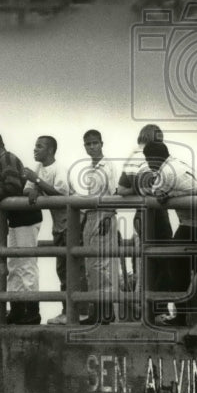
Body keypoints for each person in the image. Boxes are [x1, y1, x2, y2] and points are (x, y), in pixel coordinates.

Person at [141, 141, 197, 325]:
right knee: (196, 266)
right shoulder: (176, 163)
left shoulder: (166, 172)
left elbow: (153, 192)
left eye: (148, 160)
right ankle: (195, 315)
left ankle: (182, 316)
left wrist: (163, 193)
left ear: (154, 158)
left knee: (174, 261)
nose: (148, 164)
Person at [0, 131, 42, 325]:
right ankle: (18, 309)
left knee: (26, 264)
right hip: (17, 218)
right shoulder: (0, 162)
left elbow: (11, 187)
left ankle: (32, 311)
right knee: (14, 265)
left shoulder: (7, 159)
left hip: (26, 217)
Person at [117, 124, 172, 321]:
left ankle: (146, 310)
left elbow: (121, 190)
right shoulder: (153, 157)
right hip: (157, 214)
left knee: (144, 264)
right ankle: (159, 310)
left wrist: (137, 191)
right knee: (163, 261)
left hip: (139, 216)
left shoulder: (132, 156)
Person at [22, 135, 76, 325]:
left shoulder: (59, 168)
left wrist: (36, 181)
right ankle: (67, 311)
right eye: (35, 145)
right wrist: (34, 188)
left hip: (71, 225)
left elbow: (61, 193)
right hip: (58, 226)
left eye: (39, 146)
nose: (35, 149)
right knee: (62, 270)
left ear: (50, 150)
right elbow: (27, 190)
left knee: (70, 270)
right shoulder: (38, 169)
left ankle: (71, 312)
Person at [80, 129, 121, 324]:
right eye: (88, 144)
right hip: (91, 215)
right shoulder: (89, 168)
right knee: (92, 266)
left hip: (104, 215)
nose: (91, 147)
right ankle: (95, 311)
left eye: (95, 143)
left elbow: (114, 191)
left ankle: (106, 312)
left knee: (104, 266)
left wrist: (109, 214)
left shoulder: (108, 166)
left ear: (102, 143)